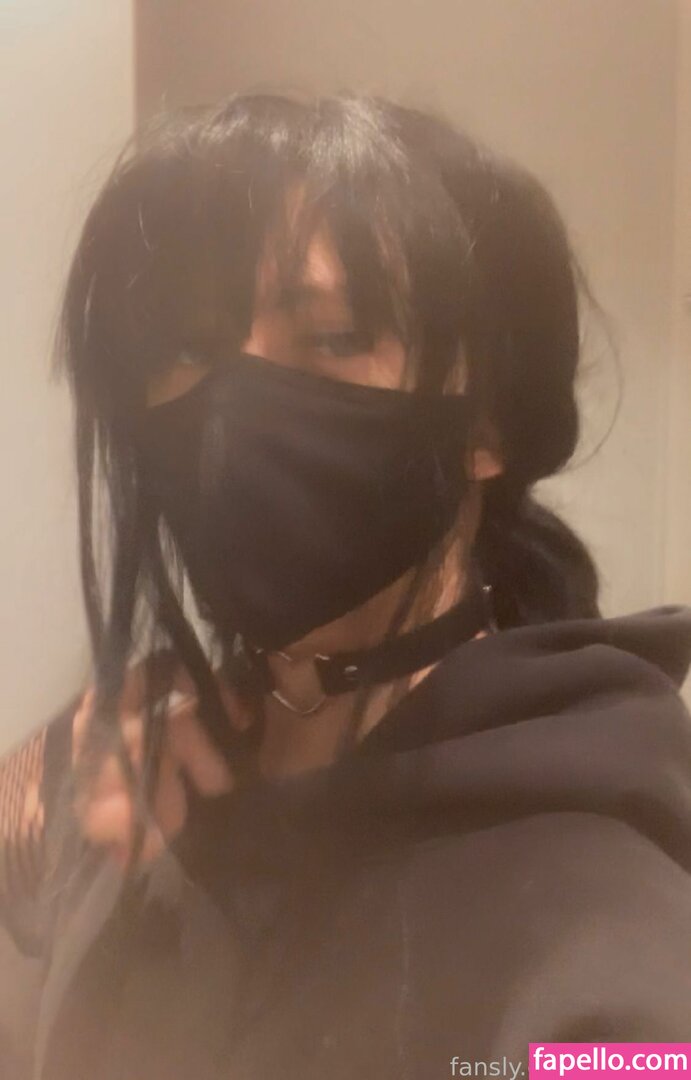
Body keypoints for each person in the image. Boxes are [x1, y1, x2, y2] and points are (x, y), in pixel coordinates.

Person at [1, 93, 691, 1080]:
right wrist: (46, 777)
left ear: (485, 423)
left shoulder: (599, 928)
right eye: (189, 345)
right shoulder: (140, 769)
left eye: (330, 336)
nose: (232, 407)